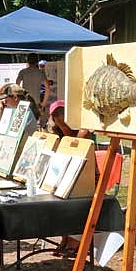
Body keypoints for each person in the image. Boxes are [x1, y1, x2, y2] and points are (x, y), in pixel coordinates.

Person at [47, 100, 91, 257]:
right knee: (54, 196)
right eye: (60, 126)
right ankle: (65, 236)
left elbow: (81, 154)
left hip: (86, 176)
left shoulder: (82, 132)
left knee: (73, 199)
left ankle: (75, 239)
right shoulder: (59, 135)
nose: (64, 129)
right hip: (68, 175)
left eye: (65, 125)